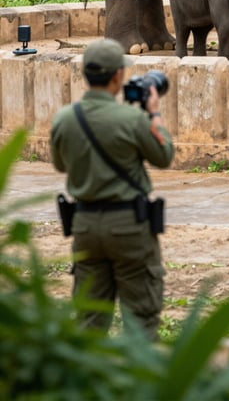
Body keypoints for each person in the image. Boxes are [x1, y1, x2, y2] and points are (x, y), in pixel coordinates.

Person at [50, 38, 174, 339]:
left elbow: (61, 165)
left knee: (89, 318)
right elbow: (163, 155)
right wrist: (154, 113)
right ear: (118, 76)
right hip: (129, 225)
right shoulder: (132, 119)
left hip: (85, 226)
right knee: (140, 317)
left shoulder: (65, 119)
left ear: (86, 75)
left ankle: (89, 380)